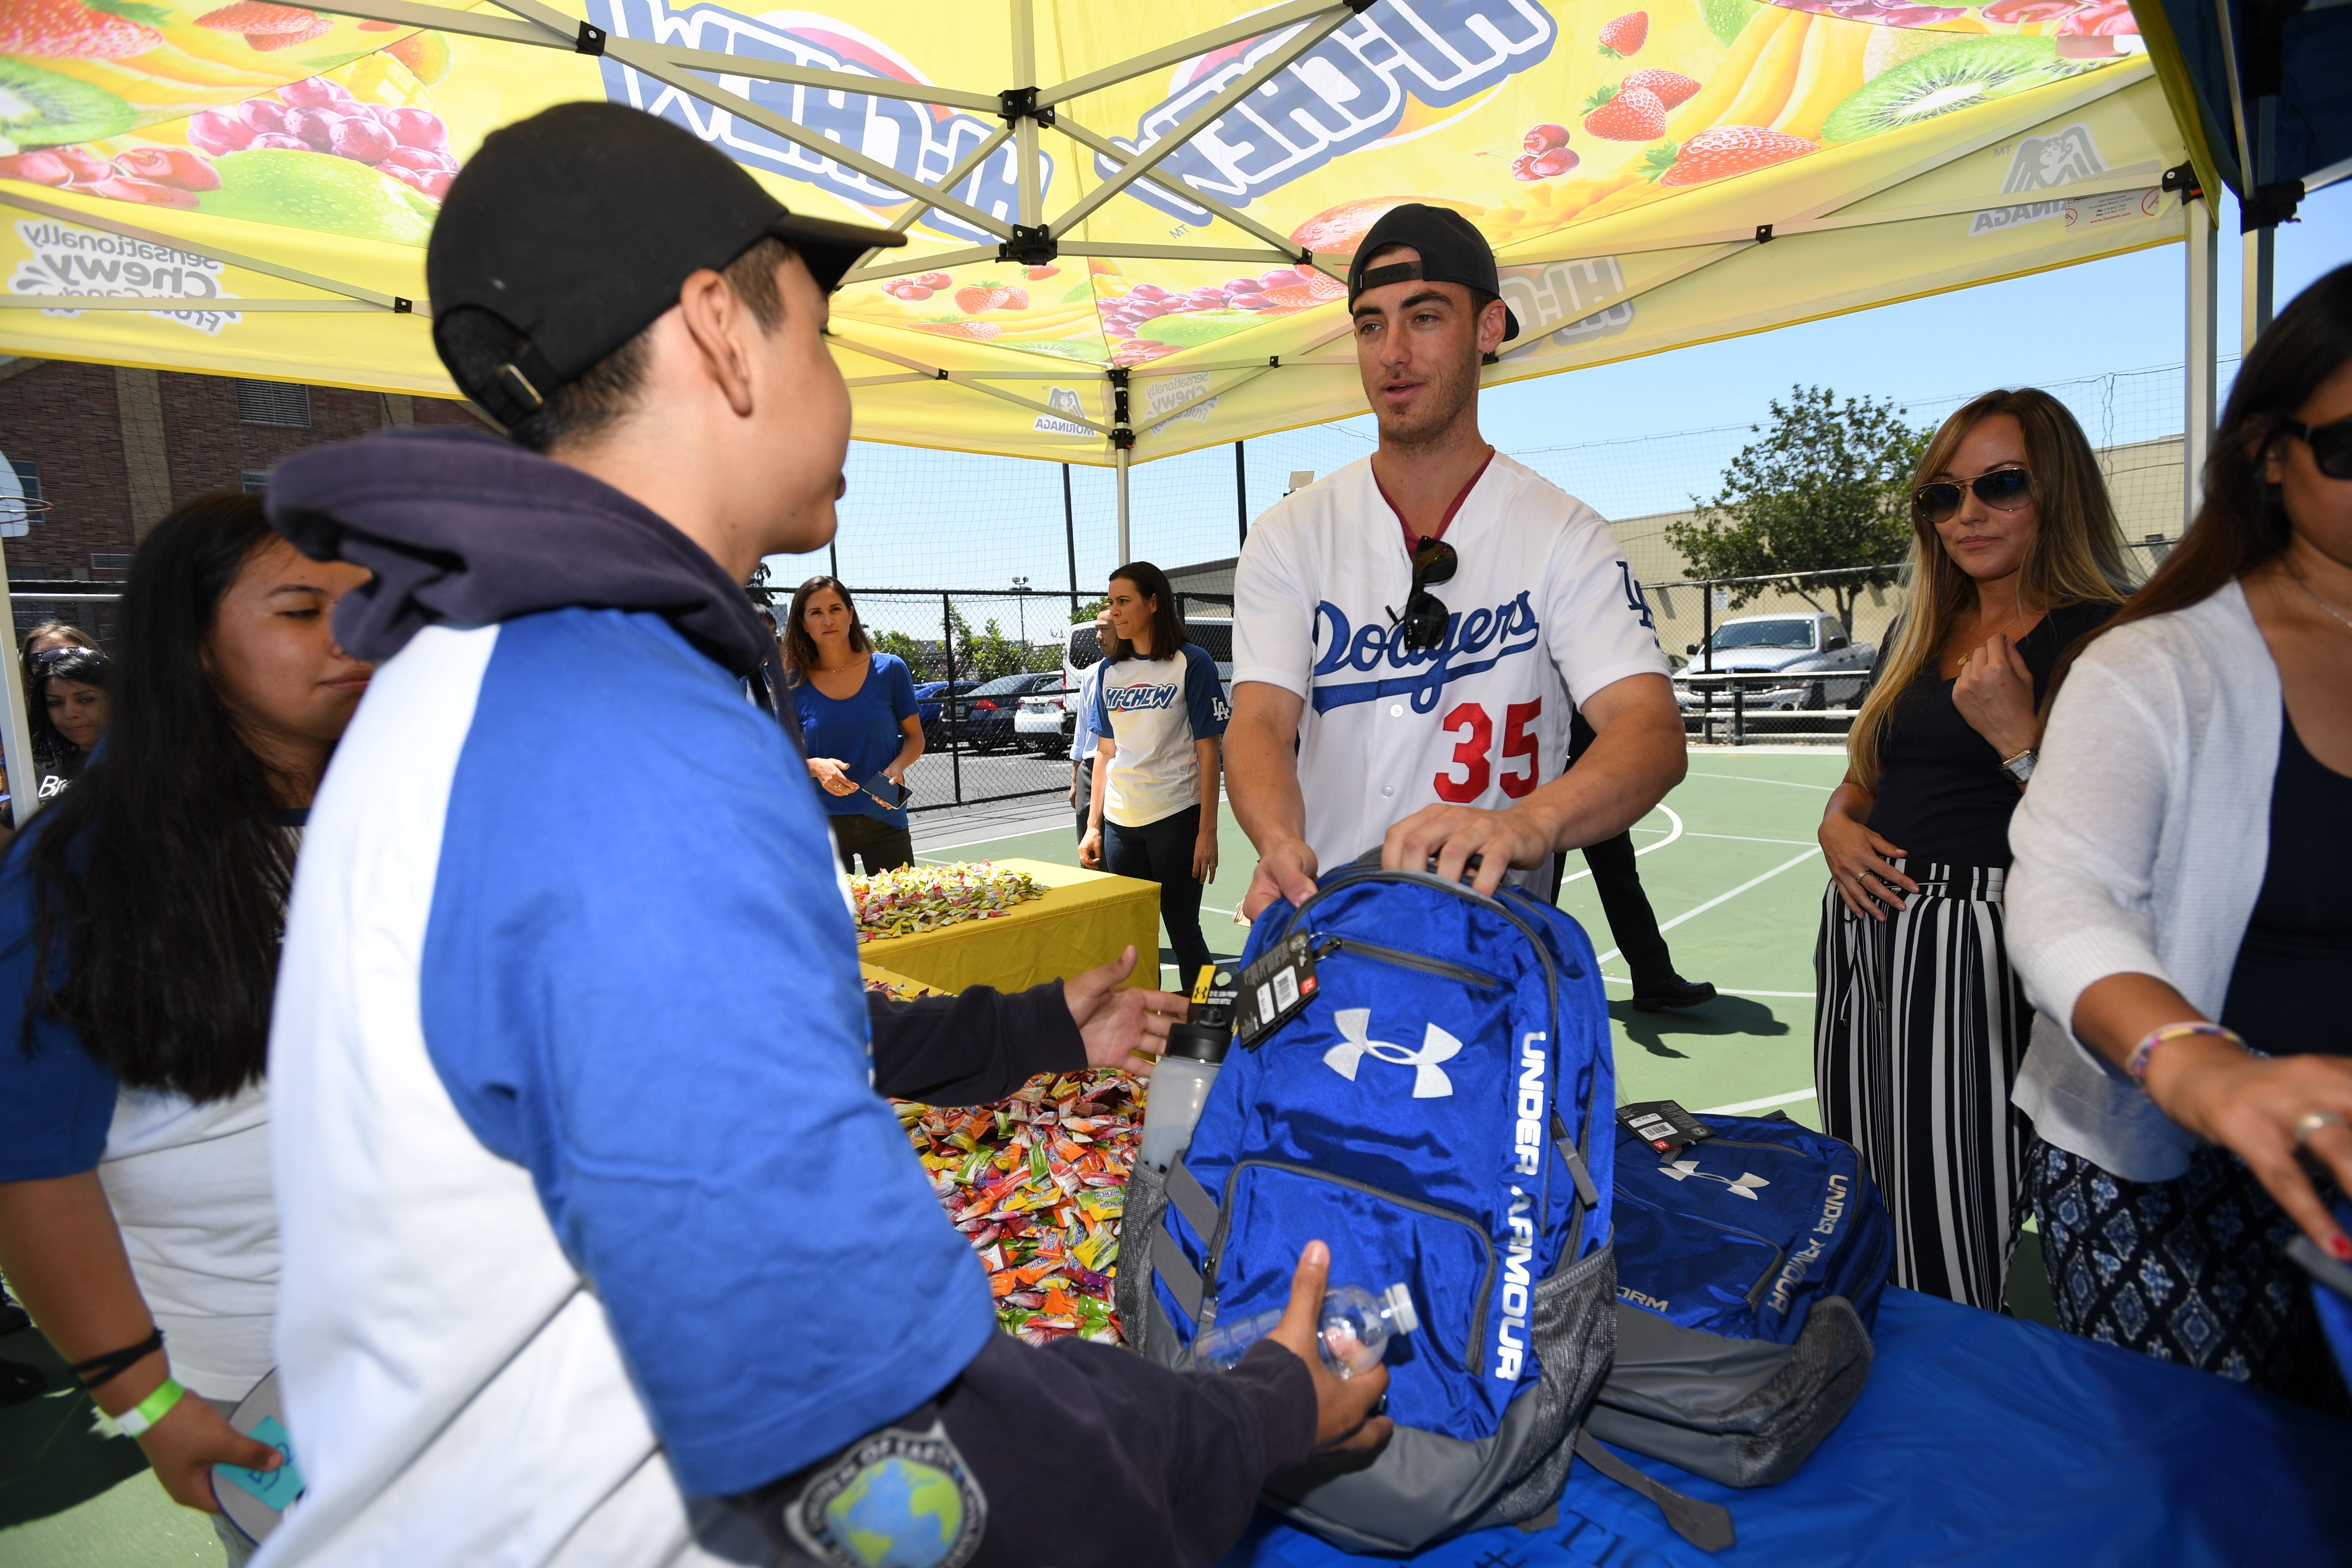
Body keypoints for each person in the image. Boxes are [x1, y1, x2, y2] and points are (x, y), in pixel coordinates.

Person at [256, 103, 1386, 1568]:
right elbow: (888, 1460)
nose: (841, 387)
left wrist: (1030, 1025)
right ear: (722, 332)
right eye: (823, 334)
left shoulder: (502, 680)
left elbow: (723, 1045)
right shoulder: (621, 736)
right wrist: (1256, 1414)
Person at [0, 493, 375, 1564]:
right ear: (193, 648)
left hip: (488, 1338)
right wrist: (144, 1398)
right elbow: (32, 1165)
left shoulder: (411, 809)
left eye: (369, 606)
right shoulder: (85, 867)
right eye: (301, 610)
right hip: (268, 1390)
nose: (352, 638)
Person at [2008, 264, 2352, 1409]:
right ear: (2268, 454)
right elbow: (2060, 891)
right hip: (2176, 1179)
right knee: (2207, 1483)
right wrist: (2194, 1063)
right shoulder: (2159, 665)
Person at [1228, 205, 1682, 916]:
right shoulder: (1289, 532)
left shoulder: (1564, 533)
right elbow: (1258, 721)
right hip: (1327, 927)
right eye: (1370, 325)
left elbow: (1648, 729)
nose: (1391, 352)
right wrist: (1278, 838)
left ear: (1489, 327)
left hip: (1490, 953)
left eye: (1425, 317)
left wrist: (1528, 822)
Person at [1811, 388, 2132, 1311]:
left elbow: (2121, 845)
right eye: (1942, 496)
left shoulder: (2107, 633)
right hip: (1869, 934)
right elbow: (1871, 771)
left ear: (2058, 490)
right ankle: (1877, 1379)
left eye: (2000, 485)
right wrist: (1837, 819)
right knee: (1867, 1184)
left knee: (1955, 1204)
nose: (1967, 514)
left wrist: (2019, 740)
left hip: (1978, 943)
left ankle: (1951, 1412)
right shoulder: (1921, 629)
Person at [1081, 563, 1227, 987]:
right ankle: (1145, 1029)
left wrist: (1208, 832)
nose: (1116, 611)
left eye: (1124, 601)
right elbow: (1106, 754)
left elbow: (1208, 753)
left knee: (1184, 934)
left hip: (1177, 821)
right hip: (1120, 827)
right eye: (1112, 602)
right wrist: (1094, 827)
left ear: (1154, 602)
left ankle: (1203, 1022)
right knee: (1133, 941)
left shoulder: (1191, 663)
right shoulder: (1111, 672)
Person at [1549, 706, 1714, 1010]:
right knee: (1541, 890)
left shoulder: (1599, 666)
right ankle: (1517, 979)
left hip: (1597, 781)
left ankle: (1654, 979)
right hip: (1550, 778)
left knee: (1619, 876)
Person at [784, 574, 922, 874]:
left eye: (835, 609)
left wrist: (897, 768)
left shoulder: (891, 670)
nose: (827, 620)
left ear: (850, 614)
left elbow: (915, 739)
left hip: (886, 819)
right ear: (804, 624)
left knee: (900, 917)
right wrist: (815, 767)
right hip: (820, 828)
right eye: (816, 613)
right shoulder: (791, 683)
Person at [32, 645, 111, 794]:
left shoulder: (152, 763)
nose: (69, 713)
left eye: (86, 700)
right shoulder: (38, 768)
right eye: (55, 703)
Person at [1069, 604, 1113, 843]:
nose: (1098, 636)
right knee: (1089, 849)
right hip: (1090, 766)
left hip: (1120, 767)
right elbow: (1083, 728)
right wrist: (1076, 778)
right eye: (1097, 629)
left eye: (1105, 629)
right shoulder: (1090, 673)